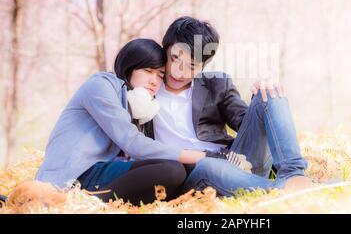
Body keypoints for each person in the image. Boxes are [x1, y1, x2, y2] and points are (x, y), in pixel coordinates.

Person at [34, 38, 236, 205]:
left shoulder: (139, 105)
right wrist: (201, 156)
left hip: (103, 172)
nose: (155, 81)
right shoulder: (101, 86)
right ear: (130, 67)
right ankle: (88, 204)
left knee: (177, 173)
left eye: (160, 75)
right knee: (172, 170)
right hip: (75, 175)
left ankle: (236, 181)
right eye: (148, 71)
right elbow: (133, 142)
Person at [148, 16, 314, 197]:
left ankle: (294, 174)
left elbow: (247, 125)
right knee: (208, 165)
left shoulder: (217, 84)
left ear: (203, 66)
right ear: (165, 50)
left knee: (270, 93)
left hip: (239, 162)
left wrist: (261, 96)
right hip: (194, 175)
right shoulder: (147, 86)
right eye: (174, 59)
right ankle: (283, 190)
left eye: (191, 66)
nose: (179, 72)